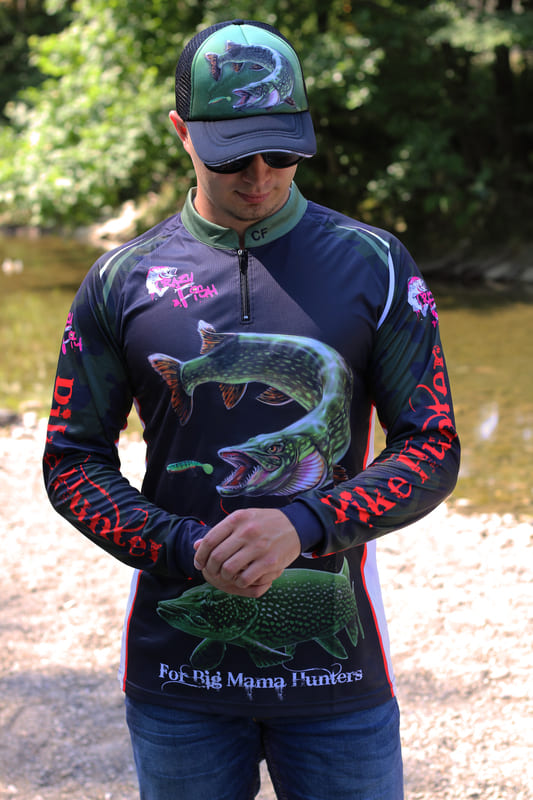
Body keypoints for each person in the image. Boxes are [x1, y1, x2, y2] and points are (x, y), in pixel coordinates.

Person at [43, 19, 460, 800]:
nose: (260, 176)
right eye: (232, 156)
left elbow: (431, 445)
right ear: (182, 133)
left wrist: (304, 524)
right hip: (178, 678)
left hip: (338, 679)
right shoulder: (120, 281)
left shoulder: (374, 264)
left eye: (282, 151)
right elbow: (71, 461)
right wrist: (184, 544)